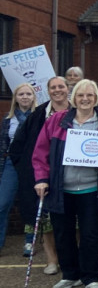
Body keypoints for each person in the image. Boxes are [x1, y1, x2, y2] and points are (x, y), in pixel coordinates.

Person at [33, 79, 98, 288]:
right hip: (61, 189)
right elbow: (40, 153)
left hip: (93, 189)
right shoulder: (56, 121)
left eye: (90, 95)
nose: (85, 99)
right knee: (63, 234)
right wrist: (41, 179)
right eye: (81, 95)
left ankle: (91, 277)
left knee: (91, 234)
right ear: (73, 98)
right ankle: (70, 275)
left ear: (96, 98)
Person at [10, 76, 67, 267]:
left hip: (71, 175)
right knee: (46, 220)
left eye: (61, 86)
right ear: (48, 91)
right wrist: (27, 171)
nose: (57, 90)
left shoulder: (78, 111)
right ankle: (52, 260)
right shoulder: (38, 114)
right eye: (53, 87)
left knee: (73, 222)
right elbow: (18, 145)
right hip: (43, 174)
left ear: (68, 89)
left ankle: (70, 259)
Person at [0, 84, 44, 267]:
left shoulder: (40, 117)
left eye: (28, 94)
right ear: (15, 98)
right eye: (21, 94)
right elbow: (3, 145)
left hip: (32, 163)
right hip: (11, 162)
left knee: (30, 202)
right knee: (2, 203)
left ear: (34, 97)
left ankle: (30, 241)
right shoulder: (8, 119)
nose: (25, 97)